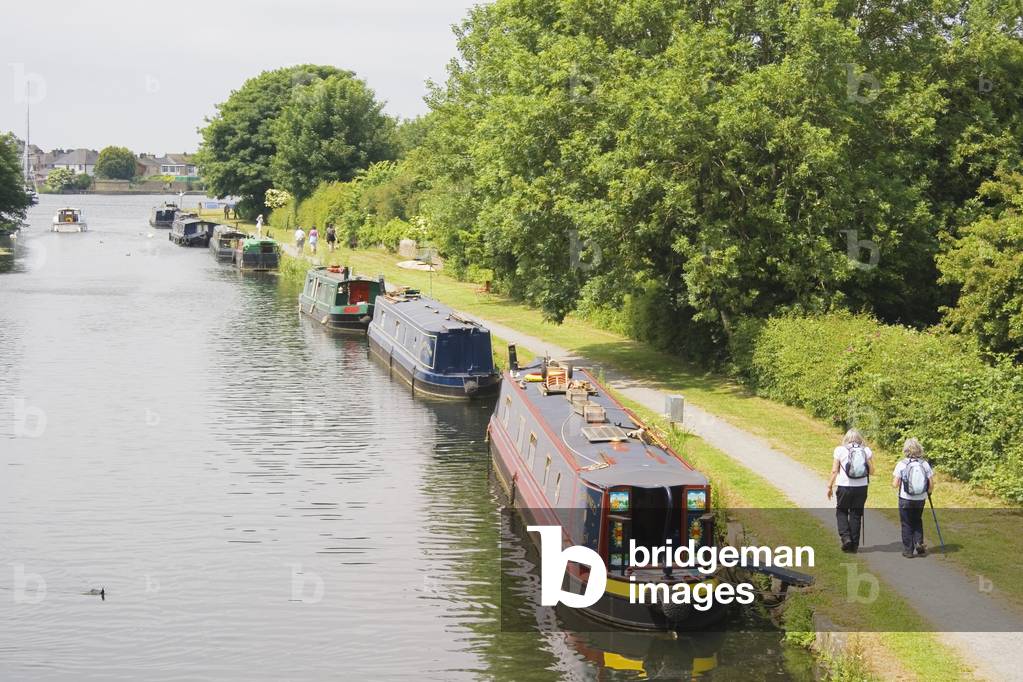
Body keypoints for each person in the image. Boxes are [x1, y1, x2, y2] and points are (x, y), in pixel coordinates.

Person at [826, 429, 874, 553]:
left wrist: (829, 486)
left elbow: (834, 471)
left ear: (846, 439)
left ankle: (846, 538)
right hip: (862, 487)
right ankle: (854, 546)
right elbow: (872, 471)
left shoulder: (840, 450)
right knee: (856, 514)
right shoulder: (866, 450)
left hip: (844, 486)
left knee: (841, 511)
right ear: (860, 439)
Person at [892, 437, 934, 558]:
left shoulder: (901, 464)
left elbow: (895, 484)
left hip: (905, 499)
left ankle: (908, 551)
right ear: (919, 449)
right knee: (917, 520)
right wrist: (928, 493)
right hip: (920, 499)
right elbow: (931, 484)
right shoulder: (924, 464)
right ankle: (919, 543)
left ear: (905, 450)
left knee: (906, 523)